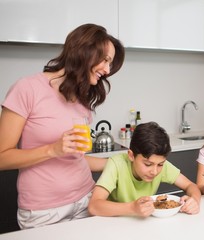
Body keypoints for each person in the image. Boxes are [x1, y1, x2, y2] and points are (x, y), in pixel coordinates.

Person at [0, 23, 125, 229]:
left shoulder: (82, 98)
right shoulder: (27, 89)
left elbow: (78, 158)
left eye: (110, 64)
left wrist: (119, 161)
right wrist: (52, 149)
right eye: (105, 60)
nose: (107, 70)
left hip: (87, 199)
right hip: (44, 212)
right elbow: (2, 157)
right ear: (85, 51)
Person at [88, 122, 201, 217]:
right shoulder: (116, 164)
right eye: (147, 164)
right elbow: (94, 206)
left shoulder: (161, 165)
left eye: (160, 164)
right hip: (114, 222)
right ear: (131, 156)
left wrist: (194, 200)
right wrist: (132, 208)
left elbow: (191, 186)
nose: (155, 171)